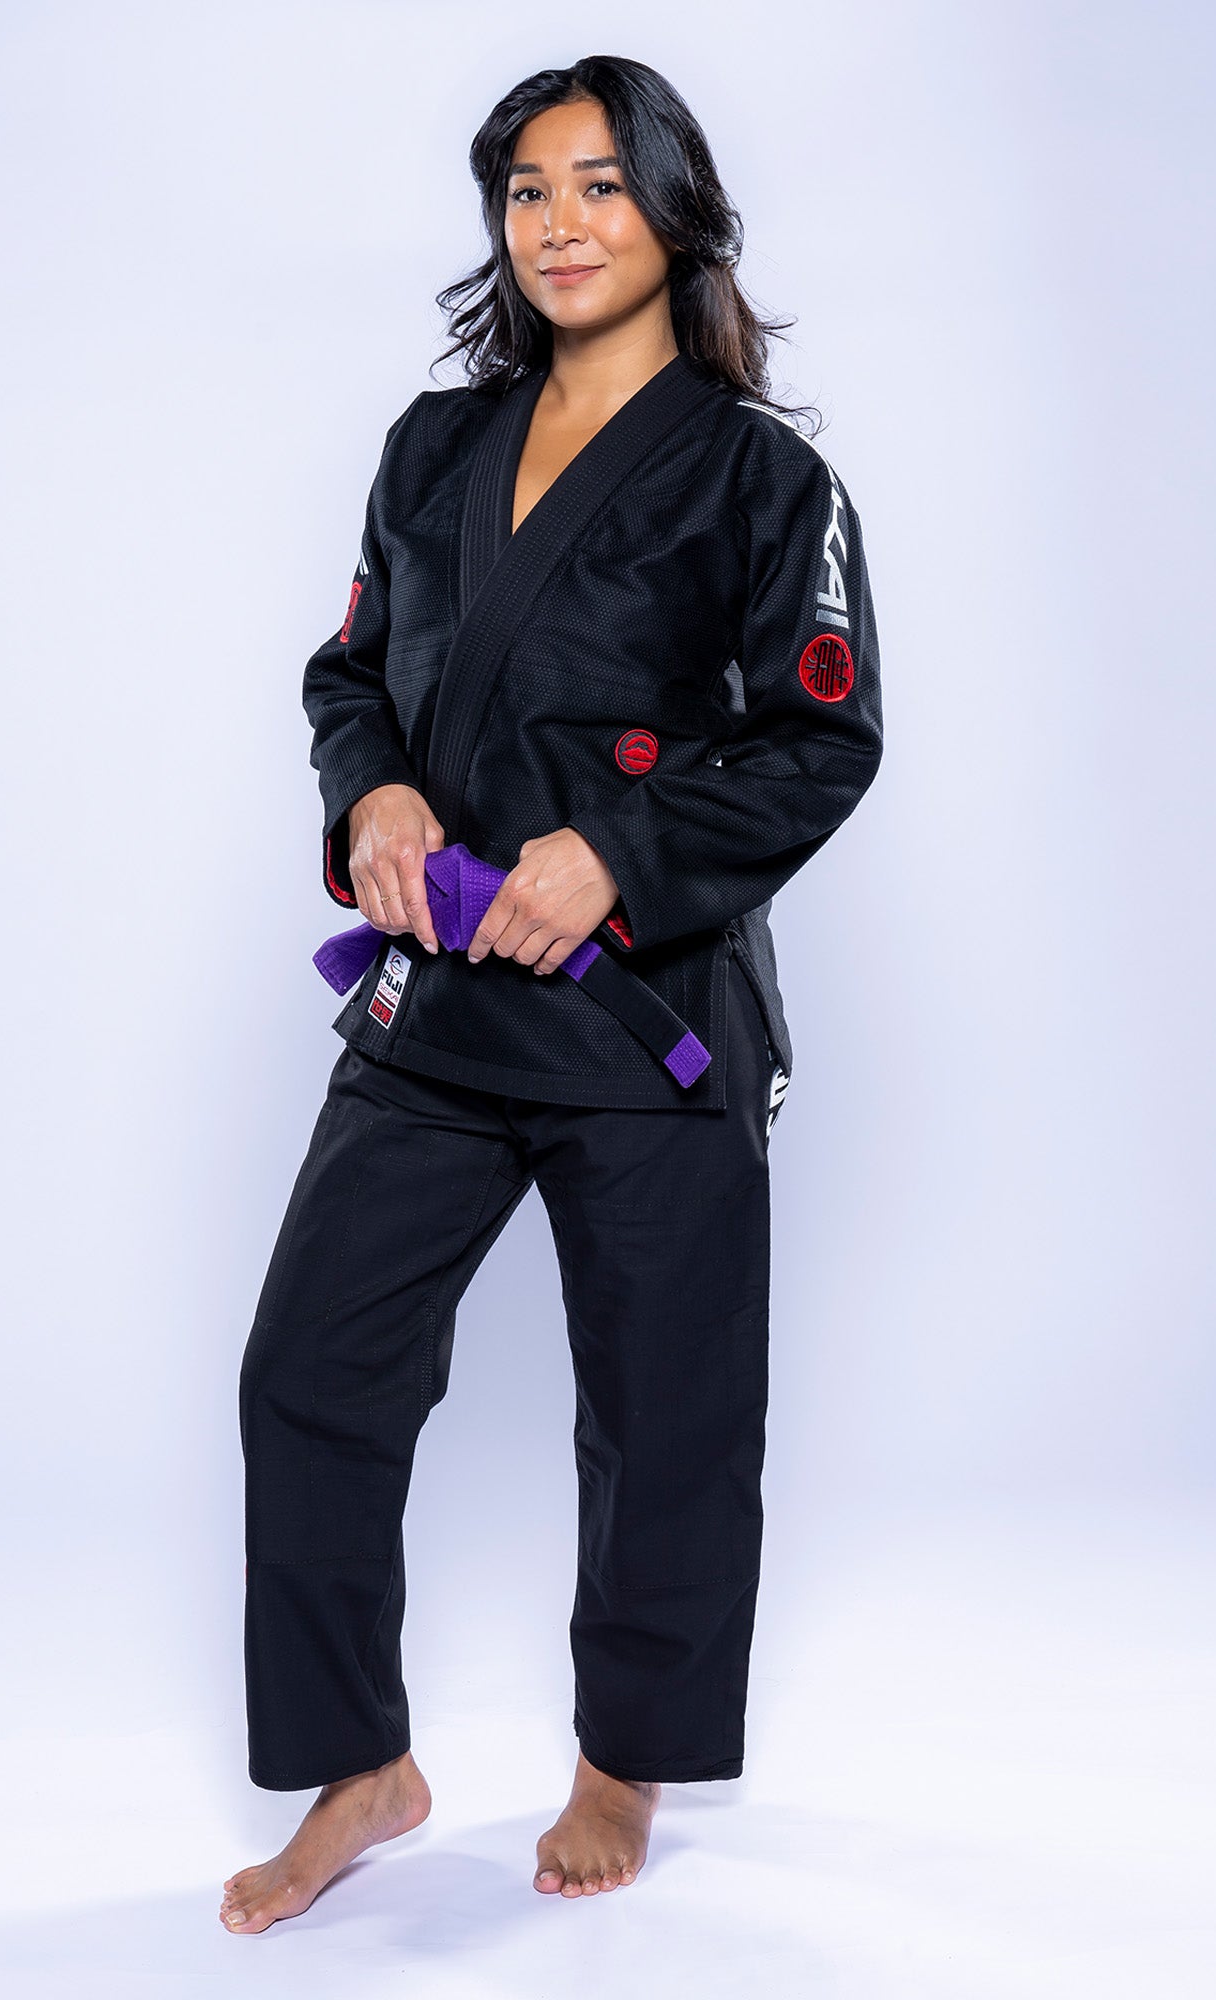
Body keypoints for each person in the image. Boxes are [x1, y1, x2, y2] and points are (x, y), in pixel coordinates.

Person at [220, 53, 882, 1933]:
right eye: (526, 189)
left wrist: (618, 854)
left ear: (676, 210)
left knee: (666, 1414)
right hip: (438, 1007)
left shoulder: (767, 480)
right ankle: (362, 1763)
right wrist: (377, 795)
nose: (559, 224)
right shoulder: (435, 447)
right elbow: (352, 676)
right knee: (309, 1375)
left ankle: (624, 1758)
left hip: (644, 1021)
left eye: (598, 185)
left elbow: (824, 745)